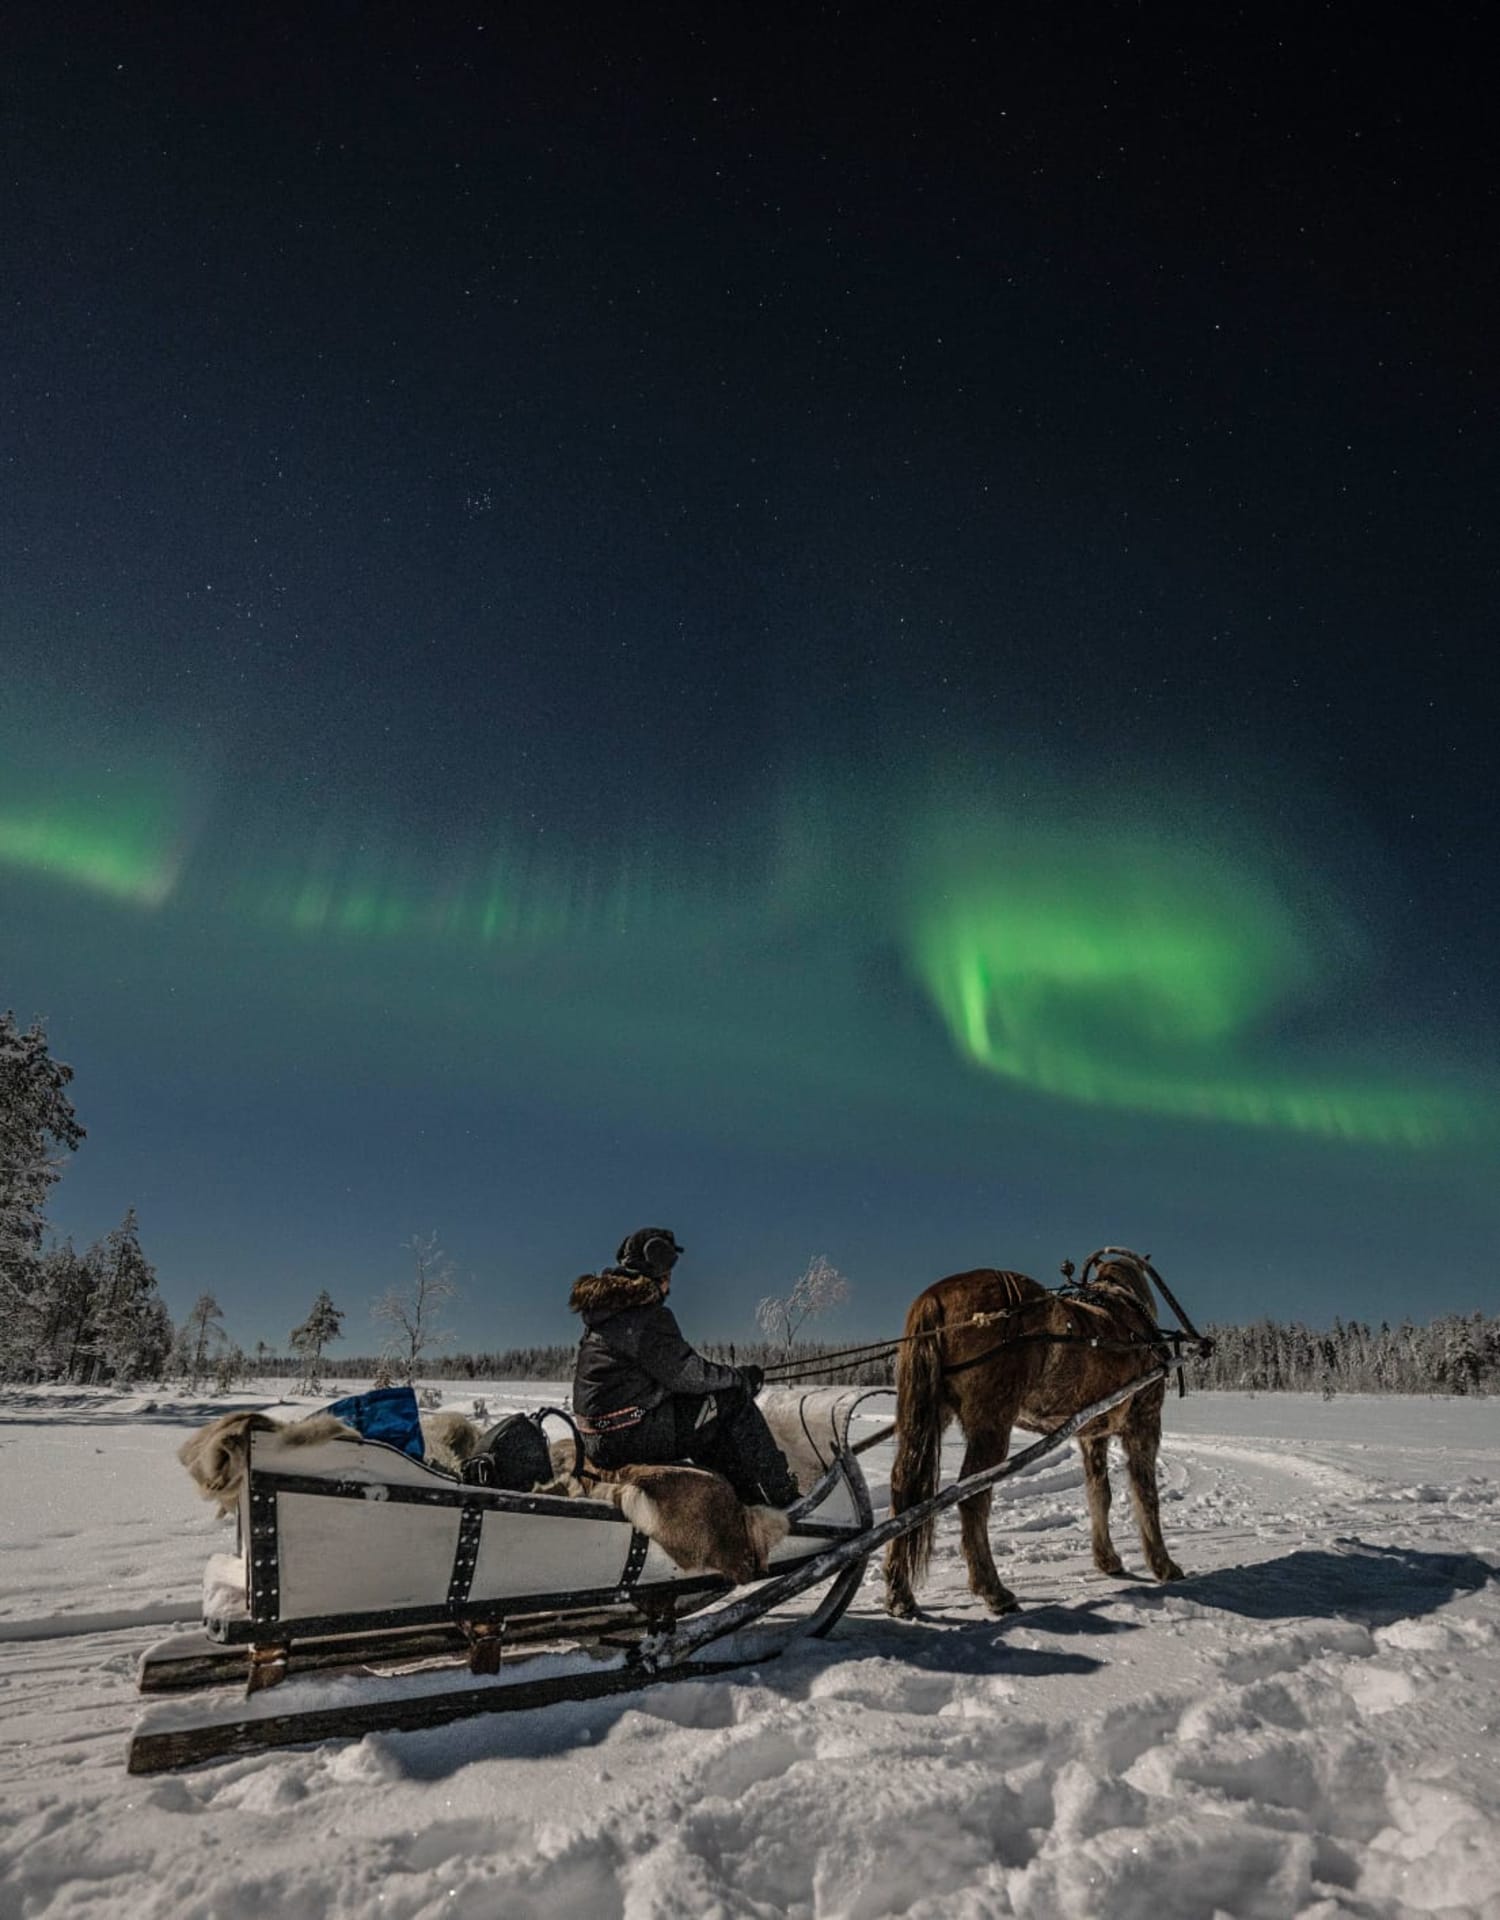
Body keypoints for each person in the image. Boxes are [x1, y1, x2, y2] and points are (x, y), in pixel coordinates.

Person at [569, 1227, 802, 1508]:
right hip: (626, 1437)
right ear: (658, 1267)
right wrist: (740, 1378)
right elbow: (688, 1375)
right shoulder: (645, 1315)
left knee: (703, 1413)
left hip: (600, 1438)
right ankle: (784, 1496)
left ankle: (736, 1498)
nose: (670, 1284)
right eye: (669, 1272)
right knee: (731, 1400)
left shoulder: (609, 1312)